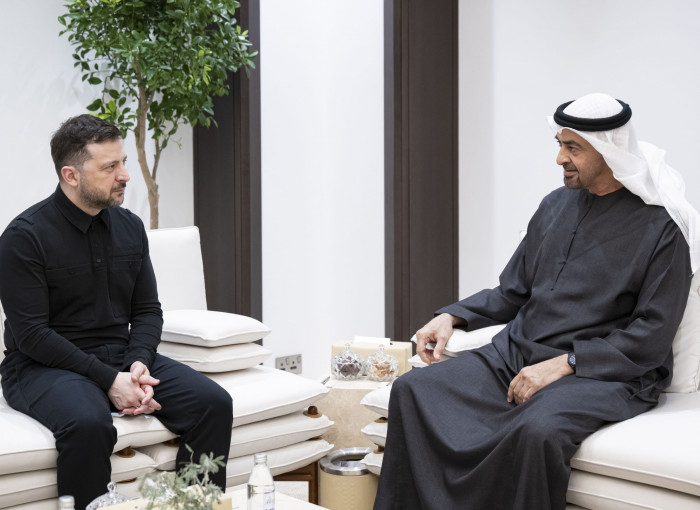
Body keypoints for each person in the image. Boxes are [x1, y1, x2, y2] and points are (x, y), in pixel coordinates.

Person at [373, 93, 700, 510]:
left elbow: (651, 335)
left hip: (603, 375)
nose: (560, 158)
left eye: (573, 148)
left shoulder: (663, 228)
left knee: (537, 431)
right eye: (560, 145)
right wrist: (453, 316)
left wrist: (568, 363)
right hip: (515, 355)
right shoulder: (554, 205)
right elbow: (513, 290)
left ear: (609, 150)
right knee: (413, 389)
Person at [0, 115, 233, 509]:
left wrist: (138, 364)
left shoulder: (130, 226)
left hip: (119, 355)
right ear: (71, 175)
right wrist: (111, 381)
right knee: (89, 424)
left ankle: (195, 503)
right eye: (109, 167)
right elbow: (32, 336)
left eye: (123, 162)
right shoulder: (24, 237)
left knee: (213, 403)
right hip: (42, 367)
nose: (124, 175)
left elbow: (147, 310)